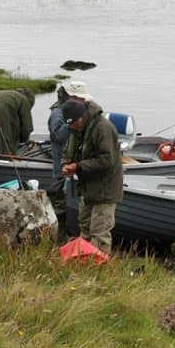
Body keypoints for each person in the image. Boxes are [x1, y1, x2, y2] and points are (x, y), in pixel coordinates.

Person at [60, 97, 123, 255]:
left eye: (74, 123)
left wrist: (78, 167)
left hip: (106, 188)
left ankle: (99, 271)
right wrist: (66, 163)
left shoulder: (103, 128)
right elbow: (69, 150)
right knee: (85, 227)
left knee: (99, 232)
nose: (72, 127)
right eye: (69, 124)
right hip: (88, 187)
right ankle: (85, 265)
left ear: (82, 116)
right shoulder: (77, 128)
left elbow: (107, 160)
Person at [48, 80, 93, 240]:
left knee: (73, 209)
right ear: (72, 97)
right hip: (61, 171)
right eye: (81, 98)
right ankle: (59, 240)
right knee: (60, 208)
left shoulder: (80, 112)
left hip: (74, 171)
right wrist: (71, 124)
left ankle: (70, 238)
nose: (85, 101)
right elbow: (57, 137)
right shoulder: (57, 113)